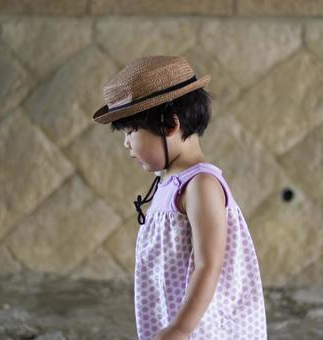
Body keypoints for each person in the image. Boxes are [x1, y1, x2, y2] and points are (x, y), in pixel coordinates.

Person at [93, 56, 267, 340]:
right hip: (173, 315)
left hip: (205, 326)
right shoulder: (168, 183)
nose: (126, 143)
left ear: (169, 125)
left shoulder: (201, 185)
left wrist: (181, 327)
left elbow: (208, 263)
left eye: (131, 131)